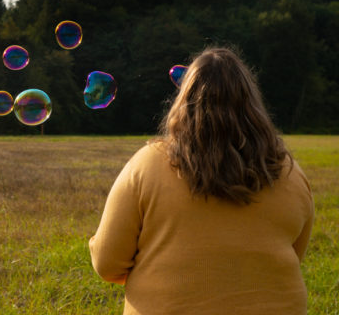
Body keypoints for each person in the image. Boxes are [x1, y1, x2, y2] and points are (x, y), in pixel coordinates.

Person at [89, 47, 314, 314]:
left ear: (184, 102)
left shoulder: (147, 164)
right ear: (253, 105)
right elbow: (293, 256)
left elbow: (107, 264)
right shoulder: (291, 174)